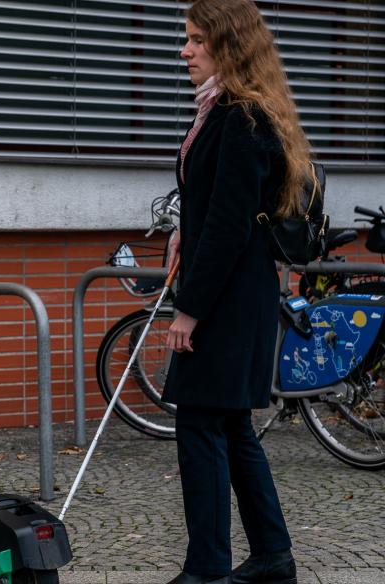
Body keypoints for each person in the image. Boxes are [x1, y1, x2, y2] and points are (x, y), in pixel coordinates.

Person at [162, 1, 309, 583]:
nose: (186, 51)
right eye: (187, 40)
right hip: (236, 290)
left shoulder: (241, 119)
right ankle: (273, 557)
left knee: (201, 424)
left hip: (226, 297)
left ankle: (207, 571)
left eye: (197, 41)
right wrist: (182, 234)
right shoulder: (228, 112)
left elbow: (227, 226)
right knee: (230, 425)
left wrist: (188, 311)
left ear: (229, 46)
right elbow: (214, 212)